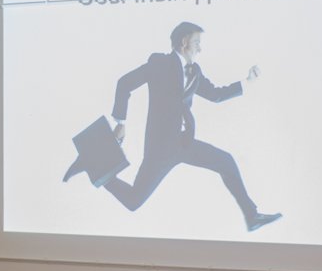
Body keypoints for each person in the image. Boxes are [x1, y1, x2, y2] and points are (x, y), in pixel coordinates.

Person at [103, 21, 282, 232]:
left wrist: (247, 81)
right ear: (184, 42)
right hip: (160, 148)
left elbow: (215, 95)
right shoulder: (159, 62)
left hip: (183, 142)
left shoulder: (195, 71)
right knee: (134, 200)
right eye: (197, 42)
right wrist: (121, 123)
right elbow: (124, 83)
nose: (200, 48)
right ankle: (99, 173)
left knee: (226, 162)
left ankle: (251, 217)